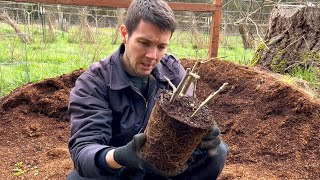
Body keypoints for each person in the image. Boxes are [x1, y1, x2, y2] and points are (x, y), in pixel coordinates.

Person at [67, 0, 228, 179]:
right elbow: (84, 151)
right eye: (144, 43)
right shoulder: (95, 82)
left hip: (159, 169)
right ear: (124, 34)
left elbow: (186, 122)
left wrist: (199, 138)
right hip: (117, 171)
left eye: (161, 47)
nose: (152, 56)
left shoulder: (173, 72)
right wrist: (122, 156)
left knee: (216, 152)